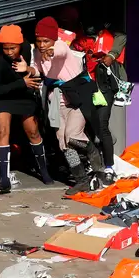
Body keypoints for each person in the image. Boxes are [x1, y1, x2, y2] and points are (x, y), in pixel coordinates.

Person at [31, 17, 104, 195]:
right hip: (58, 100)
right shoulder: (36, 52)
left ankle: (92, 150)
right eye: (39, 41)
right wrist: (28, 69)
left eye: (46, 41)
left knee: (72, 135)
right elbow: (36, 68)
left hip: (77, 97)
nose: (42, 45)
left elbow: (59, 52)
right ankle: (81, 180)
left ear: (53, 39)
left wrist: (51, 51)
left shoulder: (61, 47)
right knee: (63, 141)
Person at [0, 24, 53, 192]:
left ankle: (44, 170)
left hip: (24, 96)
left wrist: (27, 76)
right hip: (5, 97)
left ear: (20, 44)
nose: (9, 52)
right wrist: (21, 83)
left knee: (33, 131)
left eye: (13, 48)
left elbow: (35, 70)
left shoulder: (26, 48)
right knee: (3, 131)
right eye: (6, 48)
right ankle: (4, 177)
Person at [72, 22, 126, 186]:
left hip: (104, 87)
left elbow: (122, 37)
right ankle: (93, 162)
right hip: (85, 87)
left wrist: (111, 55)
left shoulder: (110, 37)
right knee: (88, 127)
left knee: (102, 125)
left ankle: (109, 167)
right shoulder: (79, 41)